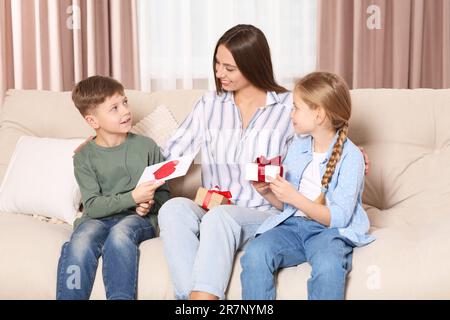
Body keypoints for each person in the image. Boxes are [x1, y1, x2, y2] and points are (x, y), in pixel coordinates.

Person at [157, 25, 370, 300]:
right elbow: (171, 154)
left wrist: (350, 153)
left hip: (264, 213)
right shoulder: (208, 105)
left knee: (222, 218)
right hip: (213, 208)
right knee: (173, 209)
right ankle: (191, 300)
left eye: (229, 68)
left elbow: (323, 135)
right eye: (217, 64)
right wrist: (114, 145)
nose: (219, 73)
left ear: (253, 66)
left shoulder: (288, 109)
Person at [240, 71, 375, 300]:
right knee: (255, 253)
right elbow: (289, 208)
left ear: (319, 114)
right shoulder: (298, 145)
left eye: (296, 108)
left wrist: (294, 197)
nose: (290, 113)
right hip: (292, 227)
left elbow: (339, 218)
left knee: (329, 265)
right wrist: (267, 193)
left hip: (328, 232)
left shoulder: (352, 157)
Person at [56, 75, 170, 300]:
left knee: (120, 235)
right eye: (114, 108)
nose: (125, 111)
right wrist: (133, 196)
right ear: (93, 121)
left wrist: (148, 204)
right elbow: (93, 206)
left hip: (137, 221)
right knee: (81, 239)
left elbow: (165, 195)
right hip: (95, 219)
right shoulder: (84, 157)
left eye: (125, 102)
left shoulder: (147, 147)